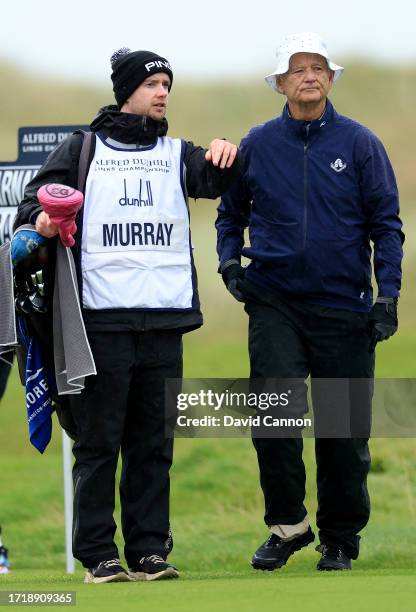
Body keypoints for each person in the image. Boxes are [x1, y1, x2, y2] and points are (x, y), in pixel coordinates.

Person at [16, 47, 241, 583]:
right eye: (152, 83)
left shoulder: (175, 153)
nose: (162, 92)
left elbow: (216, 180)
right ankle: (98, 555)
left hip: (164, 323)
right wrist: (45, 222)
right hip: (100, 323)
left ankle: (148, 551)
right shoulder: (82, 148)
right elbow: (30, 208)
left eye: (167, 84)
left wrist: (230, 151)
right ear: (127, 91)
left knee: (153, 447)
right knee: (98, 443)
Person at [216, 32, 403, 571]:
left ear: (331, 78)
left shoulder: (360, 143)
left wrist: (387, 294)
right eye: (298, 69)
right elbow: (231, 215)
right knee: (272, 417)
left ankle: (341, 538)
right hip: (274, 301)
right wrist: (231, 264)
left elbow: (386, 227)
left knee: (343, 430)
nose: (309, 75)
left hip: (345, 305)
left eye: (319, 67)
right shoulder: (257, 143)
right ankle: (289, 526)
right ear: (280, 83)